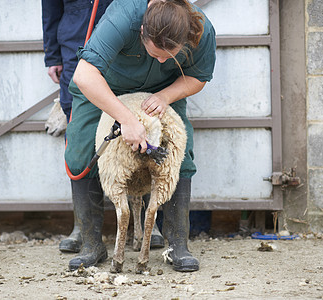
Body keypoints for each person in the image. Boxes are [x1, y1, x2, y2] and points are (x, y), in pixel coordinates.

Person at [65, 0, 216, 272]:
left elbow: (199, 76)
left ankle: (177, 245)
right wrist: (126, 119)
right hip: (105, 86)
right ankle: (91, 244)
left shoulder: (200, 29)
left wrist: (166, 96)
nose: (160, 60)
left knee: (180, 152)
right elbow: (85, 76)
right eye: (155, 53)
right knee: (80, 151)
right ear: (143, 30)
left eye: (168, 56)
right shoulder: (124, 16)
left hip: (161, 89)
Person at [42, 0, 166, 254]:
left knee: (140, 126)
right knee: (82, 134)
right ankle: (84, 228)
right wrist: (52, 54)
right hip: (76, 44)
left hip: (128, 49)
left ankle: (145, 223)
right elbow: (51, 6)